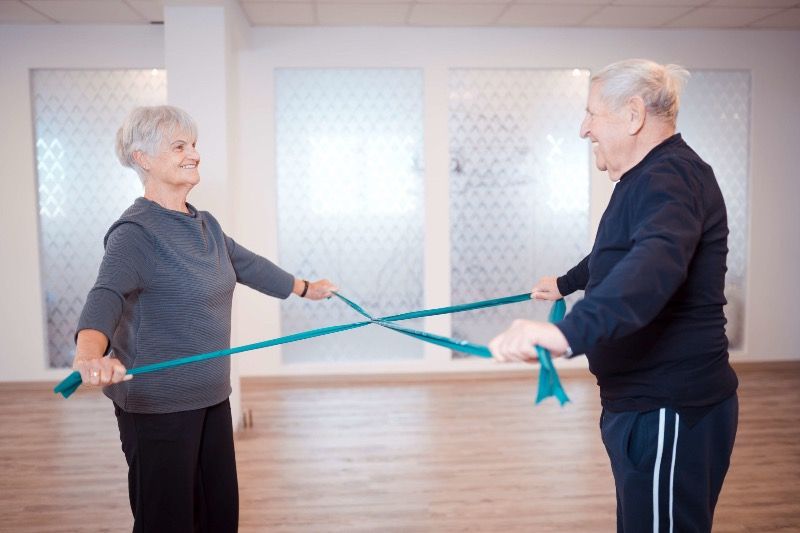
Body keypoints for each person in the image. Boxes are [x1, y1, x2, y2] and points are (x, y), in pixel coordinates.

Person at [489, 59, 738, 532]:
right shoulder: (647, 179)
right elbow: (617, 253)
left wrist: (564, 335)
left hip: (669, 407)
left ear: (633, 114)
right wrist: (566, 283)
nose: (584, 130)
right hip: (641, 402)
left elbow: (654, 266)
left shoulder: (671, 178)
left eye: (591, 114)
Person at [71, 105, 337, 532]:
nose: (193, 153)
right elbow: (105, 297)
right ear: (143, 158)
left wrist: (306, 287)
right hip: (158, 407)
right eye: (179, 146)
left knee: (217, 516)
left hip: (212, 397)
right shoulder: (135, 233)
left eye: (193, 144)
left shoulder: (206, 225)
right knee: (168, 521)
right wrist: (89, 354)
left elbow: (249, 266)